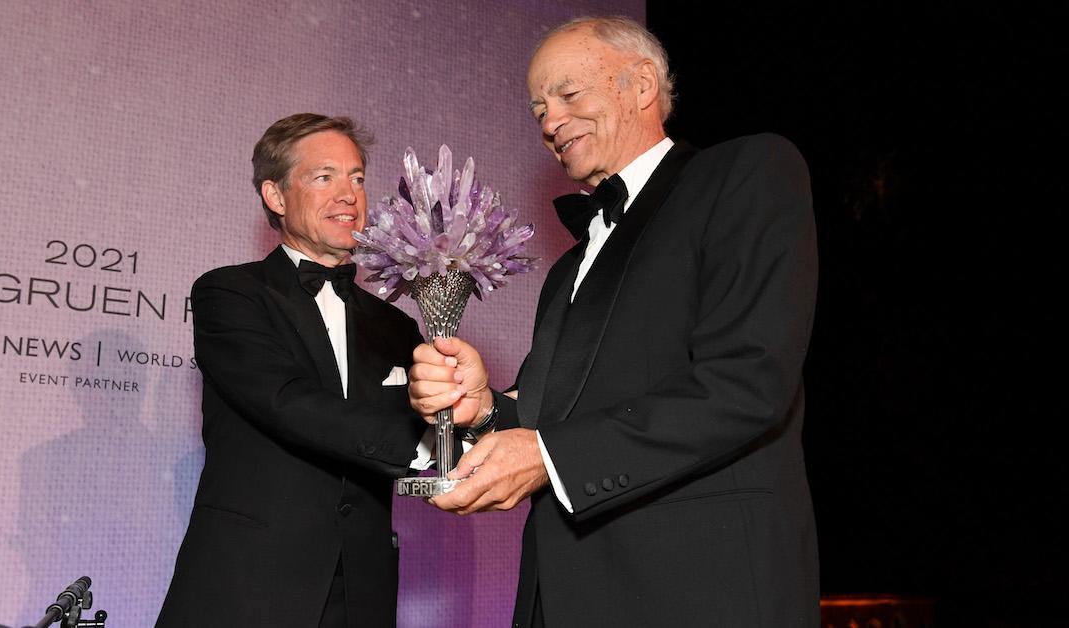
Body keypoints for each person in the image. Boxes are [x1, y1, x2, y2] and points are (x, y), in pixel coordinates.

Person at [408, 16, 820, 626]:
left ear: (643, 84)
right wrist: (486, 407)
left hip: (702, 592)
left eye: (569, 95)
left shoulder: (747, 172)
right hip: (563, 593)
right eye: (538, 109)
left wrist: (549, 459)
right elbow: (558, 417)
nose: (548, 122)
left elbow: (747, 381)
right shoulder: (569, 265)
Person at [157, 113, 429, 628]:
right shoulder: (231, 293)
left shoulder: (396, 325)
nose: (349, 195)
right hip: (247, 584)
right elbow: (286, 402)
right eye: (324, 177)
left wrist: (477, 419)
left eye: (356, 178)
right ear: (276, 197)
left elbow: (431, 422)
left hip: (362, 594)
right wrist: (417, 448)